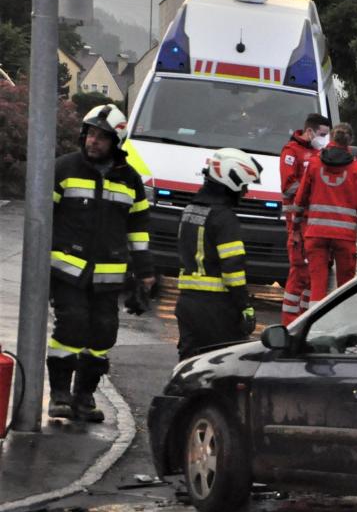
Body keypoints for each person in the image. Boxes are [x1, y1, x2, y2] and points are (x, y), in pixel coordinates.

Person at [48, 104, 155, 422]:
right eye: (90, 134)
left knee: (103, 334)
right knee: (71, 326)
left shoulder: (130, 180)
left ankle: (85, 396)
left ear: (116, 143)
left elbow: (138, 229)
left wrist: (145, 273)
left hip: (109, 276)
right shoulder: (64, 169)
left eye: (102, 137)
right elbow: (42, 218)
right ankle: (60, 394)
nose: (93, 141)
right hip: (67, 272)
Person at [175, 148, 262, 360]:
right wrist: (244, 305)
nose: (245, 192)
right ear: (231, 182)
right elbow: (233, 270)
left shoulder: (190, 210)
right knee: (223, 365)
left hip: (187, 302)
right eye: (244, 186)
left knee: (189, 364)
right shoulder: (224, 218)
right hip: (217, 307)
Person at [293, 124, 357, 309]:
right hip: (344, 236)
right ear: (349, 142)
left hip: (316, 233)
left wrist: (295, 227)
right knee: (345, 286)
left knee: (317, 285)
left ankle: (314, 321)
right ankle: (341, 320)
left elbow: (300, 198)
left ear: (331, 138)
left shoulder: (315, 163)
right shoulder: (356, 168)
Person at [279, 113, 331, 325]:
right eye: (322, 135)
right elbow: (288, 186)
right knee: (299, 273)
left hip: (315, 224)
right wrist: (311, 188)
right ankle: (289, 323)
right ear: (309, 131)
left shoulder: (320, 153)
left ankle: (304, 321)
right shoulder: (291, 152)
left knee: (313, 276)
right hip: (298, 224)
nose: (324, 139)